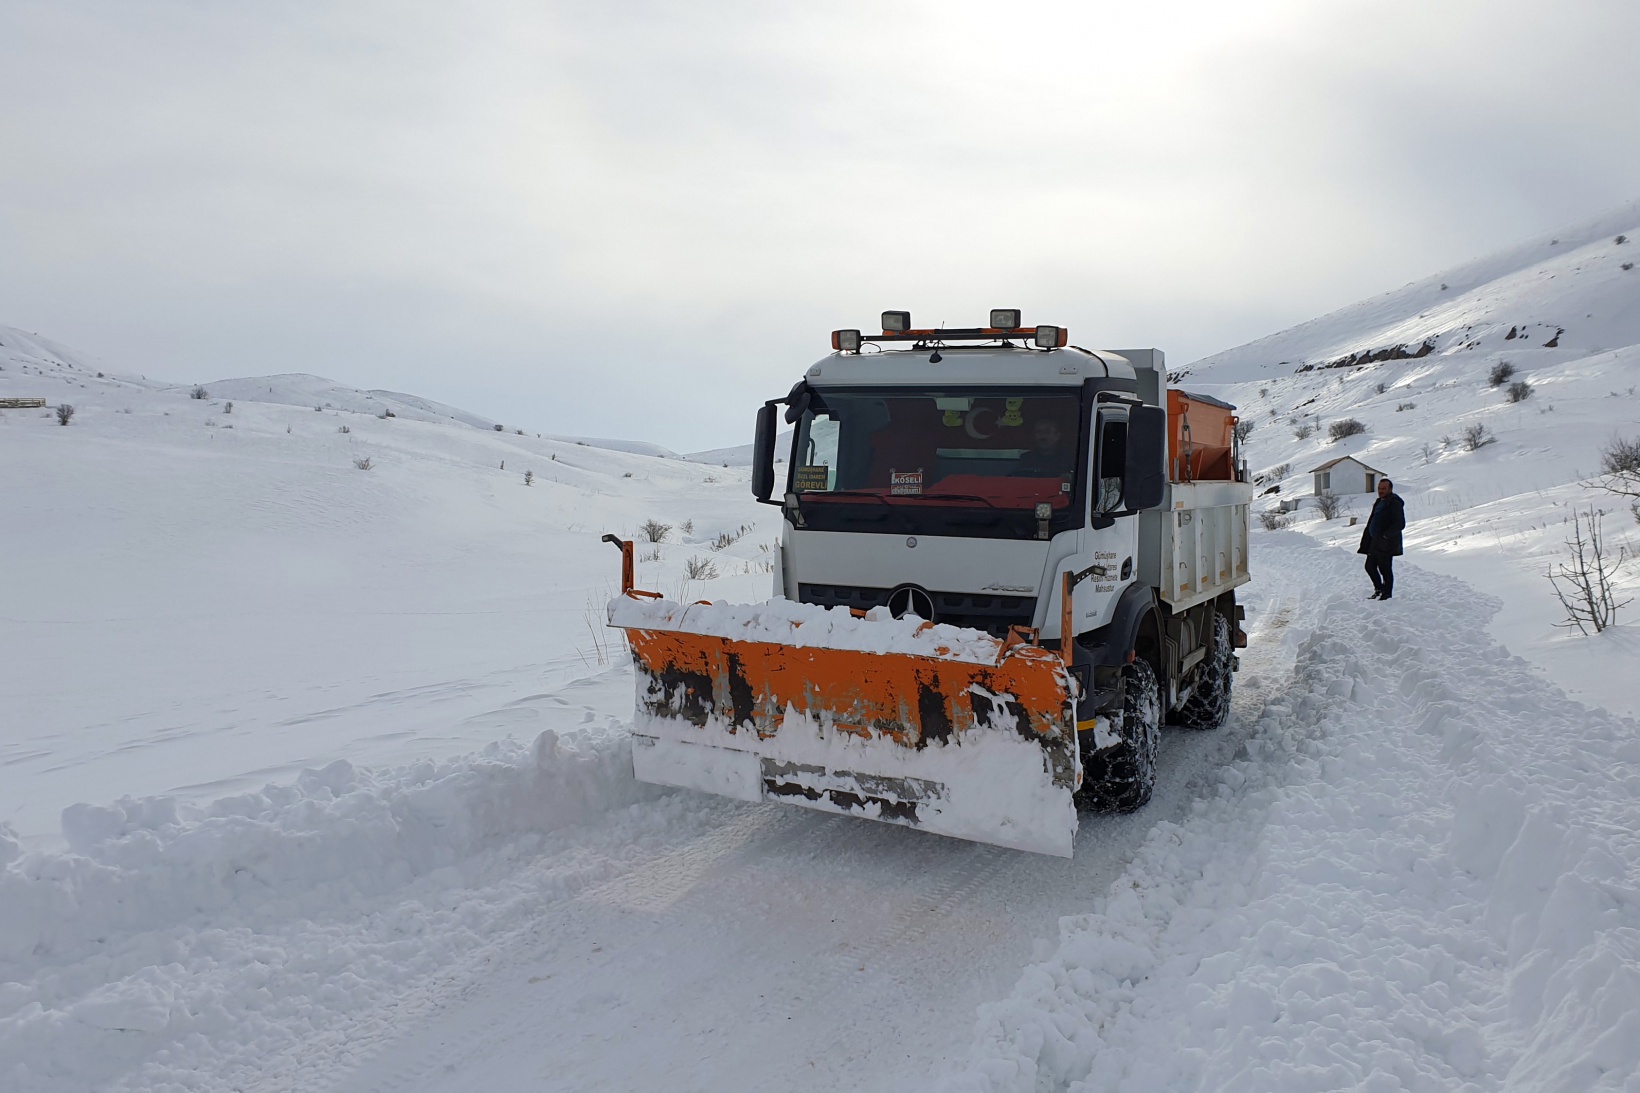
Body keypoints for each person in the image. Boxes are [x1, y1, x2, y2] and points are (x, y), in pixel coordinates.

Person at [1359, 477, 1406, 600]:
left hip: (1386, 543)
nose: (1380, 491)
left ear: (1390, 489)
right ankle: (1379, 589)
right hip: (1374, 542)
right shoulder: (1379, 501)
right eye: (1379, 488)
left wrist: (1385, 536)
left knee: (1385, 568)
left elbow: (1400, 524)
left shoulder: (1394, 503)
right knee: (1370, 566)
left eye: (1383, 489)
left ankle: (1387, 593)